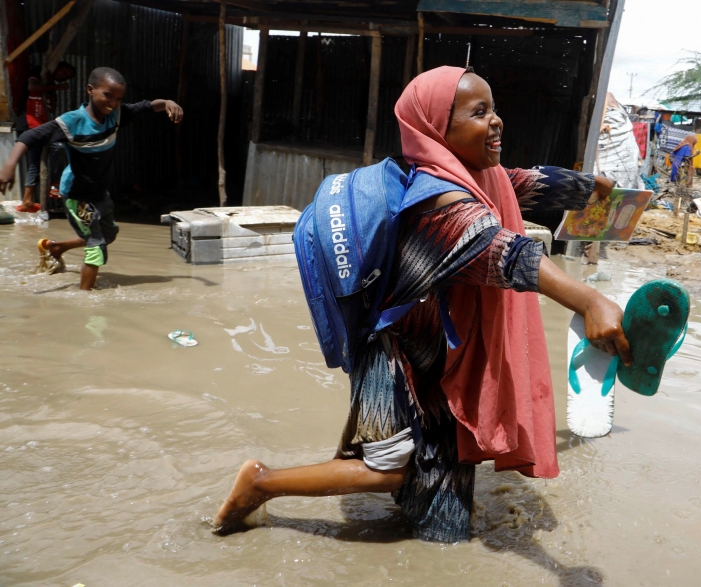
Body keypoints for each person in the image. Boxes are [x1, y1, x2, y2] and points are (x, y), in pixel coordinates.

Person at [214, 66, 631, 542]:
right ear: (438, 129)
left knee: (445, 517)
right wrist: (591, 299)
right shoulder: (440, 204)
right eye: (479, 112)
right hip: (393, 357)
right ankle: (261, 482)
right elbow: (507, 254)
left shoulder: (475, 176)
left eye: (494, 109)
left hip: (436, 360)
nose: (495, 121)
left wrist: (588, 187)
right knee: (388, 467)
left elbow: (526, 182)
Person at [0, 67, 183, 290]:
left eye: (119, 98)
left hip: (99, 192)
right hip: (77, 195)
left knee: (109, 234)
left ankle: (57, 248)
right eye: (108, 95)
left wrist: (167, 102)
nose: (113, 103)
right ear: (90, 90)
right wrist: (8, 166)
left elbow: (145, 106)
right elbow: (30, 136)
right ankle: (86, 300)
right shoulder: (72, 122)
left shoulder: (116, 115)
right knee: (97, 247)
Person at [15, 62, 77, 213]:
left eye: (67, 77)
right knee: (44, 156)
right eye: (64, 72)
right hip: (30, 124)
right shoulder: (38, 72)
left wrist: (54, 91)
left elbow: (52, 107)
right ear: (58, 66)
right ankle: (45, 190)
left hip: (41, 126)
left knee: (53, 151)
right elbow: (32, 87)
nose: (63, 77)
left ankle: (32, 198)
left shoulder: (50, 87)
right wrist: (56, 88)